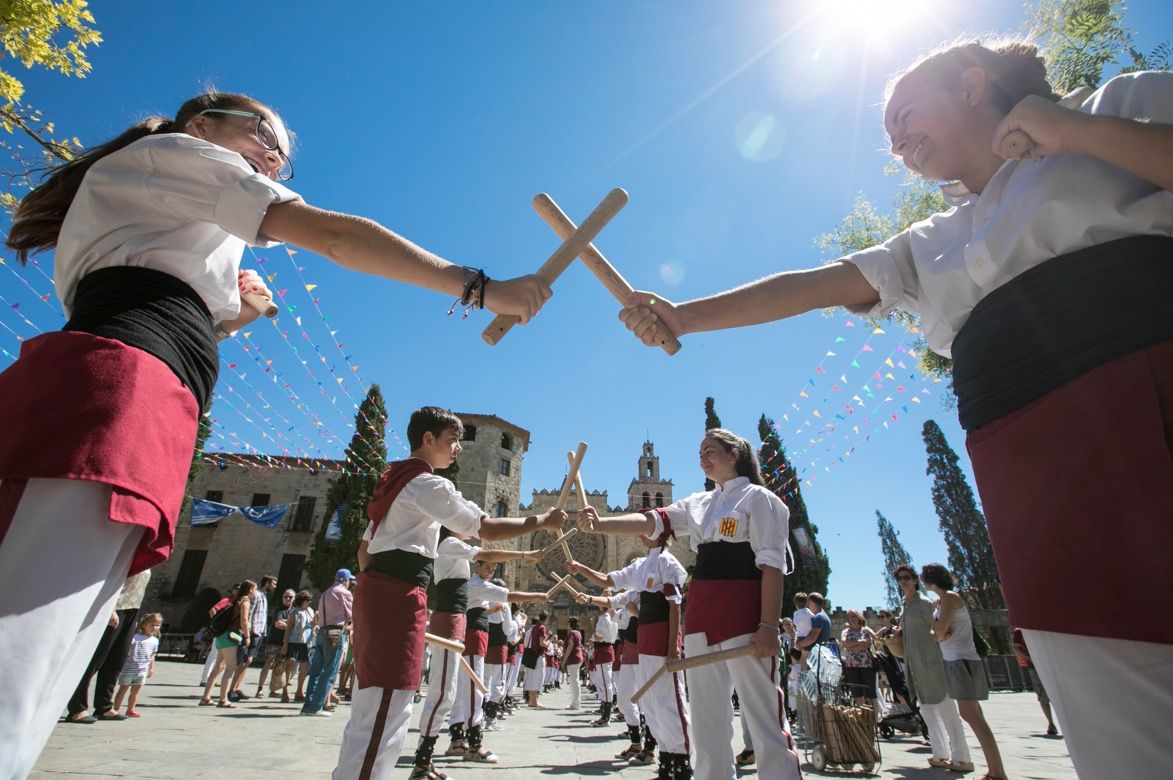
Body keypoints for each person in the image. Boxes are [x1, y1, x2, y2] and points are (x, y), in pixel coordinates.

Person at [617, 41, 1173, 778]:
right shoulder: (930, 241)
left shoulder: (1121, 105)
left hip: (1149, 400)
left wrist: (1066, 132)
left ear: (972, 85)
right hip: (1024, 466)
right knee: (1113, 712)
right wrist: (683, 316)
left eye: (904, 116)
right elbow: (811, 285)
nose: (896, 141)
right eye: (886, 135)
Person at [0, 91, 552, 777]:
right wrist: (480, 288)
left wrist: (235, 314)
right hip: (113, 396)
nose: (273, 156)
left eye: (283, 159)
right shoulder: (176, 153)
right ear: (201, 126)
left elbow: (170, 294)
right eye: (261, 133)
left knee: (42, 670)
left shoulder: (168, 204)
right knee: (18, 661)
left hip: (144, 399)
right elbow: (336, 237)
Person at [333, 407, 564, 780]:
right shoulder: (427, 484)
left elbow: (364, 552)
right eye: (452, 440)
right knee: (385, 711)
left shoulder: (392, 481)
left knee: (373, 708)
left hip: (379, 595)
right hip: (397, 598)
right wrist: (543, 521)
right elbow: (484, 529)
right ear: (428, 439)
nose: (458, 448)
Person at [579, 428, 801, 780]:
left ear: (734, 455)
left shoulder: (760, 500)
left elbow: (772, 567)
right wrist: (600, 524)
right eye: (700, 452)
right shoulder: (697, 504)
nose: (703, 457)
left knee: (764, 720)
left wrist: (769, 626)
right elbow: (654, 520)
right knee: (707, 723)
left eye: (710, 450)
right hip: (699, 620)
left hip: (744, 617)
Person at [443, 559, 547, 765]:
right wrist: (539, 595)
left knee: (465, 690)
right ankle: (474, 745)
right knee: (475, 690)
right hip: (474, 640)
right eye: (487, 567)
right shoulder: (480, 586)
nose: (491, 571)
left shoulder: (474, 585)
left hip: (475, 639)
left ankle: (456, 740)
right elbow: (510, 601)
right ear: (477, 566)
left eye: (493, 568)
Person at [922, 563, 1007, 780]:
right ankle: (995, 771)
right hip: (952, 660)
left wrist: (938, 633)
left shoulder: (950, 597)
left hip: (963, 660)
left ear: (930, 579)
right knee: (974, 715)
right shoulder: (939, 602)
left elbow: (938, 631)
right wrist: (938, 633)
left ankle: (998, 773)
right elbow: (935, 634)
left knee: (971, 714)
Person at [894, 565, 972, 771]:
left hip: (932, 662)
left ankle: (962, 756)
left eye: (906, 578)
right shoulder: (905, 606)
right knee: (927, 711)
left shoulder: (926, 604)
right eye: (899, 579)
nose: (903, 582)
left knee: (946, 709)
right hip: (915, 665)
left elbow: (942, 629)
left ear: (915, 580)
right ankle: (940, 752)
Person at [65, 570, 151, 724]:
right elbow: (107, 578)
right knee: (96, 660)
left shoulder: (143, 557)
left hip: (132, 610)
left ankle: (104, 706)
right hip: (115, 608)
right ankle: (77, 707)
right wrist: (108, 608)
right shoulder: (125, 553)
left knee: (116, 660)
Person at [302, 569, 354, 716]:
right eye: (349, 580)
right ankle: (316, 707)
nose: (350, 583)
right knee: (329, 670)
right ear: (345, 580)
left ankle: (308, 705)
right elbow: (352, 615)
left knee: (316, 670)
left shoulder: (325, 593)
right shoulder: (344, 593)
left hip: (321, 631)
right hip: (335, 632)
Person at [201, 579, 255, 708]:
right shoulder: (245, 601)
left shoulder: (236, 600)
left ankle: (206, 697)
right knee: (231, 668)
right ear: (251, 589)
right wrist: (247, 636)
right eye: (254, 589)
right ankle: (223, 699)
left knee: (218, 667)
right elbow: (244, 620)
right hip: (232, 636)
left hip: (222, 635)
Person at [229, 574, 276, 702]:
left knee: (248, 661)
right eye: (273, 584)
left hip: (259, 632)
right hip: (253, 631)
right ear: (267, 583)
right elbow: (249, 613)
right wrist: (249, 632)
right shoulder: (256, 595)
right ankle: (232, 690)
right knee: (245, 660)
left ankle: (237, 688)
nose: (275, 586)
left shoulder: (264, 596)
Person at [110, 612, 163, 718]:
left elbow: (152, 655)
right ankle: (116, 709)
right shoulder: (135, 638)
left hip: (142, 669)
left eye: (157, 625)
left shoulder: (155, 641)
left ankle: (130, 709)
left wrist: (151, 668)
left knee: (135, 691)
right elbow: (127, 650)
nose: (155, 627)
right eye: (152, 625)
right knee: (123, 688)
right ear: (144, 625)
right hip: (129, 668)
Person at [1012, 628, 1058, 737]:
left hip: (1048, 664)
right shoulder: (1020, 631)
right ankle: (1051, 723)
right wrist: (1030, 658)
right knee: (1043, 695)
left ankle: (1054, 723)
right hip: (1036, 666)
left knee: (1049, 695)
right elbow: (1016, 647)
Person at [257, 588, 294, 698]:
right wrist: (292, 626)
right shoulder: (279, 611)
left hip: (285, 642)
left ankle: (273, 690)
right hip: (274, 641)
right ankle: (260, 688)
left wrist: (287, 624)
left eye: (290, 597)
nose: (287, 599)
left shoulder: (294, 611)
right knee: (268, 663)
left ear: (294, 598)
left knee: (280, 666)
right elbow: (278, 624)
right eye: (285, 596)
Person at [200, 584, 239, 687]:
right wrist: (216, 624)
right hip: (221, 631)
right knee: (214, 654)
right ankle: (205, 679)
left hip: (225, 632)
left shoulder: (235, 603)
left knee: (219, 656)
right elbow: (213, 610)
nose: (239, 591)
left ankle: (211, 679)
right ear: (233, 590)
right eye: (237, 589)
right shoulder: (227, 601)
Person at [840, 610, 878, 713]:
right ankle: (862, 714)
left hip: (866, 665)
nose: (852, 619)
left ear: (859, 618)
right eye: (850, 617)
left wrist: (852, 644)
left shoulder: (865, 630)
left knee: (870, 692)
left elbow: (866, 644)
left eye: (854, 616)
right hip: (851, 665)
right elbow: (844, 644)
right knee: (856, 692)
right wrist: (858, 642)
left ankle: (874, 716)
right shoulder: (845, 632)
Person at [281, 590, 315, 703]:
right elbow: (288, 629)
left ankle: (299, 691)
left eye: (310, 600)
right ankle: (284, 691)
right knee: (289, 666)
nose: (309, 602)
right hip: (294, 642)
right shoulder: (294, 612)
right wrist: (285, 644)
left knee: (304, 667)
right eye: (307, 600)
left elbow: (313, 625)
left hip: (306, 642)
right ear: (302, 601)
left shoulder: (310, 611)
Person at [522, 610, 552, 708]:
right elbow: (542, 643)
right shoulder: (542, 627)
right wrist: (549, 640)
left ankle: (531, 700)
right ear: (546, 618)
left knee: (532, 677)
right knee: (538, 678)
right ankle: (535, 701)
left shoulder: (535, 627)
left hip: (532, 654)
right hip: (539, 655)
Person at [561, 615, 585, 711]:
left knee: (574, 681)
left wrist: (564, 660)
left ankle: (575, 704)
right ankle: (575, 703)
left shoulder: (572, 633)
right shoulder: (578, 633)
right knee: (575, 681)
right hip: (578, 658)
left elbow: (570, 646)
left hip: (573, 658)